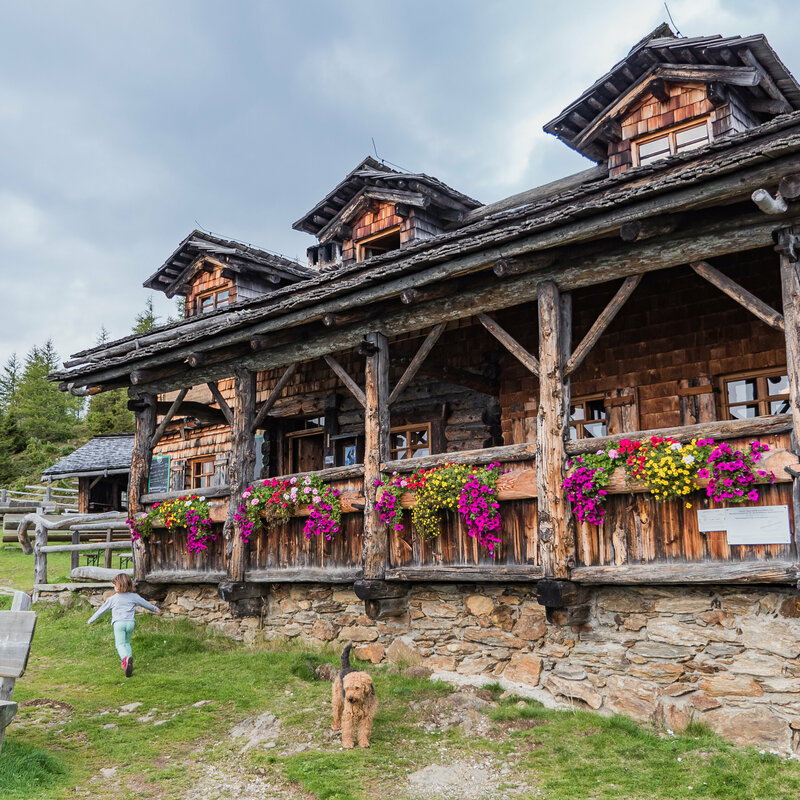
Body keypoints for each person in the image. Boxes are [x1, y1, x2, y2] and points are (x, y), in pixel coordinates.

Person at [87, 573, 161, 677]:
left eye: (115, 585)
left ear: (120, 586)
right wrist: (155, 609)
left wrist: (91, 620)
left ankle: (125, 660)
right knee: (126, 643)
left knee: (120, 644)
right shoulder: (134, 596)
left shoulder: (113, 599)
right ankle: (129, 663)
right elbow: (145, 604)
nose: (114, 587)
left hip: (119, 623)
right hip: (130, 623)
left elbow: (101, 611)